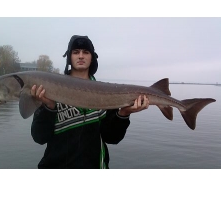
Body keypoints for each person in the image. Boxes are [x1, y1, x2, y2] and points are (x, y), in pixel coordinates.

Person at [31, 35, 149, 169]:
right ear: (69, 57)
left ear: (92, 57)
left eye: (86, 52)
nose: (81, 56)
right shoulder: (50, 89)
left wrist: (123, 113)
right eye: (76, 52)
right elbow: (39, 137)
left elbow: (112, 138)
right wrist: (49, 107)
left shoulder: (106, 94)